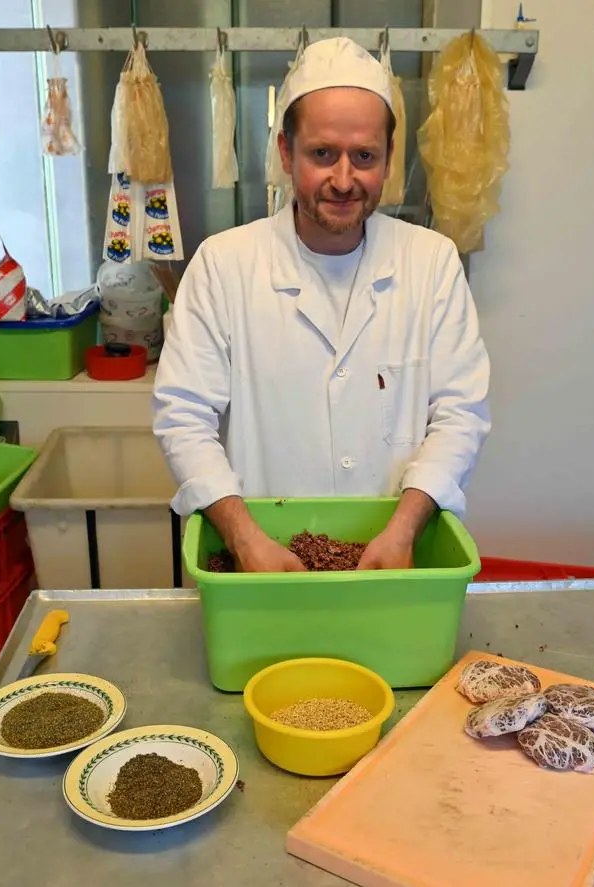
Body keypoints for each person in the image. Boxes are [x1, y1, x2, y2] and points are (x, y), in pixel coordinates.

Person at [153, 37, 490, 573]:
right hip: (260, 563)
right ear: (287, 154)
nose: (344, 179)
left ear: (388, 158)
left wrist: (404, 529)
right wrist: (246, 540)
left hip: (392, 562)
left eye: (364, 157)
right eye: (322, 154)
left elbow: (460, 413)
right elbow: (183, 416)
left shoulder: (431, 263)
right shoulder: (224, 265)